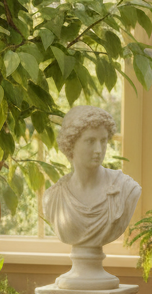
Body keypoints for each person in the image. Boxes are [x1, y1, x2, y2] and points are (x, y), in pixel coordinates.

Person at [44, 105, 141, 249]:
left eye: (103, 141)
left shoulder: (126, 189)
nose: (98, 150)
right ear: (71, 144)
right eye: (90, 141)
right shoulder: (54, 197)